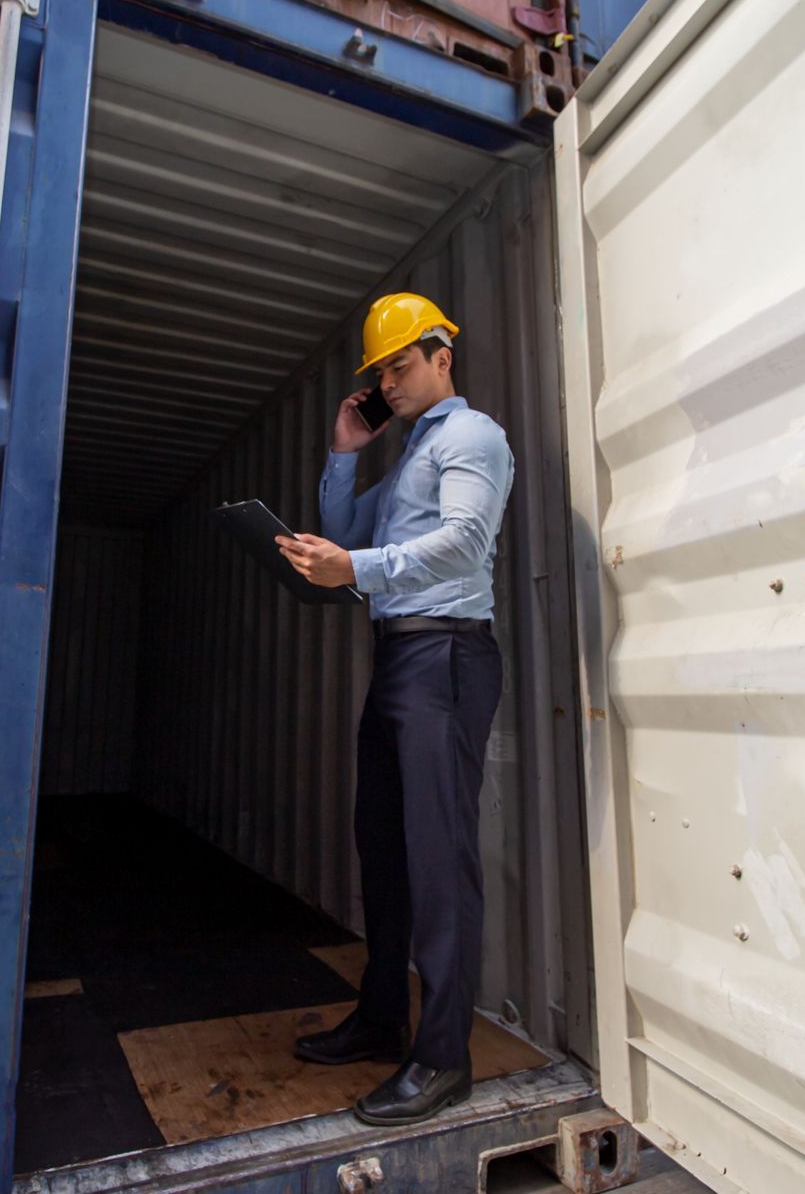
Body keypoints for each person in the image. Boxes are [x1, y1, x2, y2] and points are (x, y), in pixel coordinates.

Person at [275, 291, 515, 1126]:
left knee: (438, 857)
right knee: (382, 843)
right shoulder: (408, 456)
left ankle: (444, 1056)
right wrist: (345, 453)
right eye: (381, 372)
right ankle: (383, 1019)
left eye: (402, 365)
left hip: (445, 654)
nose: (392, 381)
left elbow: (462, 542)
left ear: (442, 355)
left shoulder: (473, 438)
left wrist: (358, 572)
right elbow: (347, 528)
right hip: (401, 657)